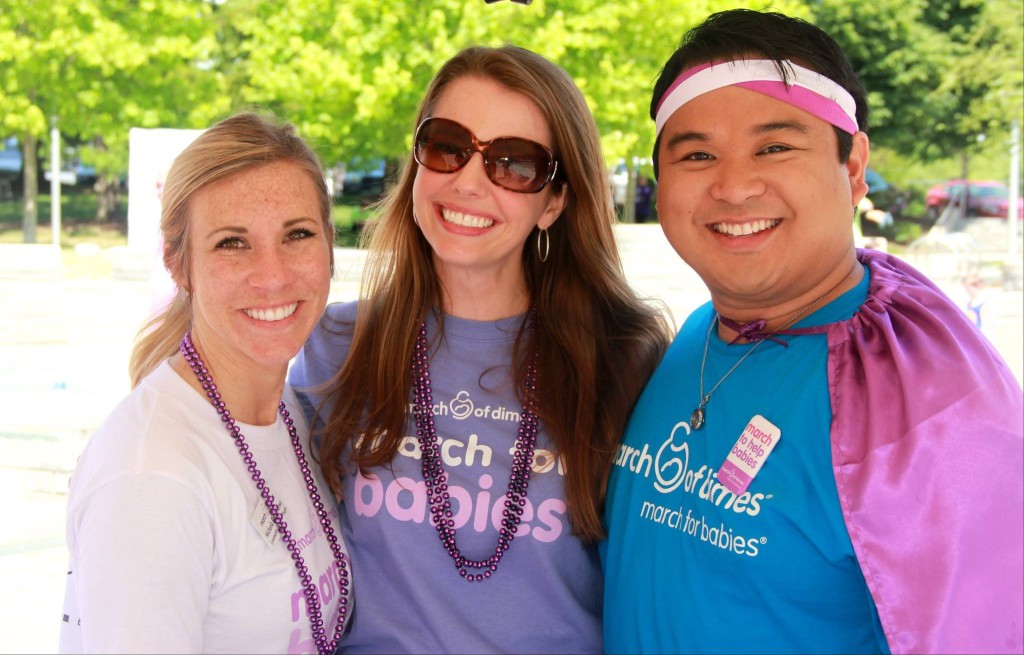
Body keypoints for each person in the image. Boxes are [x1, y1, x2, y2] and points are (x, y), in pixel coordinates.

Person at [601, 9, 1023, 655]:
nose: (734, 186)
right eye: (697, 154)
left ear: (853, 165)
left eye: (775, 146)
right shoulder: (696, 333)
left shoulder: (927, 405)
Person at [290, 45, 670, 654]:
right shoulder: (335, 346)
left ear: (554, 202)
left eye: (515, 164)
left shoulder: (625, 360)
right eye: (447, 146)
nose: (467, 182)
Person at [59, 112, 352, 654]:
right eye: (231, 243)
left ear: (329, 245)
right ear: (178, 264)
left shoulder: (286, 410)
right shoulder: (152, 479)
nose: (273, 274)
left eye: (297, 234)